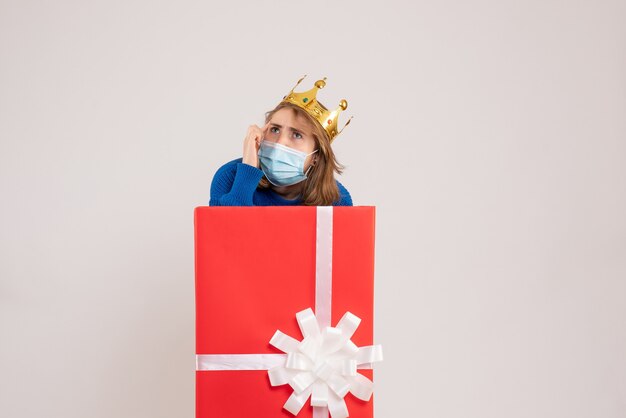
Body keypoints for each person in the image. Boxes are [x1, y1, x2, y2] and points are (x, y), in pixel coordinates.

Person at [209, 76, 353, 206]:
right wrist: (247, 173)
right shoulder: (230, 177)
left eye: (297, 135)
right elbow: (227, 232)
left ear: (316, 156)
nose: (280, 142)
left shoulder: (337, 200)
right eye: (275, 130)